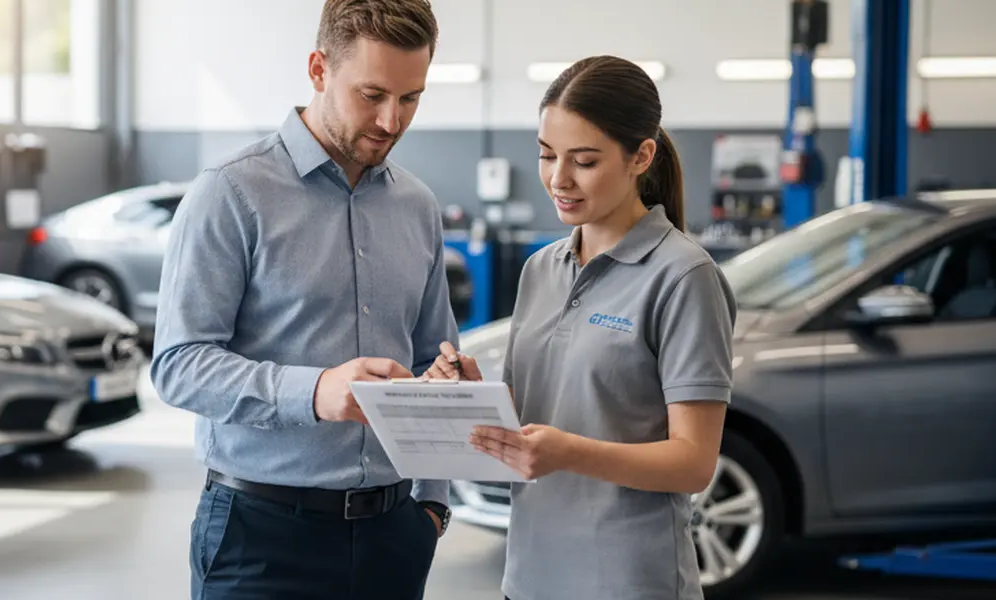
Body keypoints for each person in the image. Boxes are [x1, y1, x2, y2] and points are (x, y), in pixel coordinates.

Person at [149, 1, 459, 598]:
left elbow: (433, 358)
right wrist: (315, 392)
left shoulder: (417, 206)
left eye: (410, 98)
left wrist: (432, 506)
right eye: (372, 95)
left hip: (395, 536)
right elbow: (178, 364)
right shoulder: (231, 193)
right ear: (319, 69)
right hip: (261, 541)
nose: (392, 121)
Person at [424, 55, 737, 600]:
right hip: (528, 578)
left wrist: (570, 452)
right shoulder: (541, 269)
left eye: (584, 161)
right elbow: (537, 420)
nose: (557, 179)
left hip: (628, 581)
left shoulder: (684, 276)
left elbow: (693, 463)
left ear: (641, 156)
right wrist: (475, 399)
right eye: (546, 156)